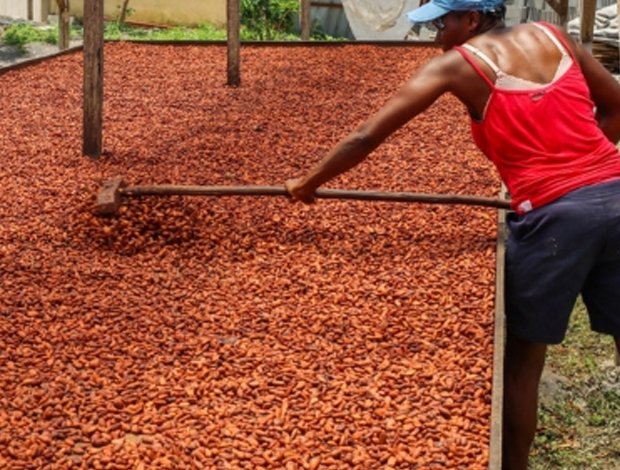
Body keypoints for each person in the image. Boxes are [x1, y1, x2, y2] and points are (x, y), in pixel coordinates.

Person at [284, 0, 620, 469]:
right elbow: (615, 105)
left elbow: (365, 136)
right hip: (618, 196)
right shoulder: (557, 38)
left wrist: (307, 182)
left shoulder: (458, 66)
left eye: (441, 24)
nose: (436, 35)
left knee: (523, 362)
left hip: (552, 221)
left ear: (472, 19)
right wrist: (592, 172)